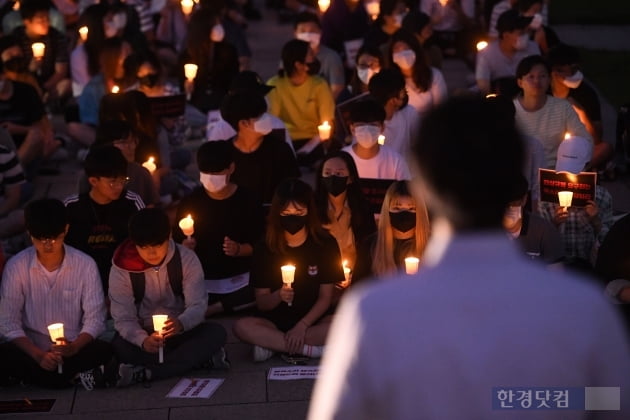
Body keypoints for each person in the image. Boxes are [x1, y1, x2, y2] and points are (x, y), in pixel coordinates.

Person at [309, 95, 630, 419]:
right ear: (513, 175)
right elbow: (608, 404)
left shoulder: (374, 313)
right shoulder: (583, 309)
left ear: (423, 183)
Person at [0, 199, 114, 390]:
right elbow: (8, 321)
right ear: (29, 234)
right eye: (41, 239)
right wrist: (37, 354)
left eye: (54, 238)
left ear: (66, 230)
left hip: (73, 348)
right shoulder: (17, 267)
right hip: (31, 350)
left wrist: (74, 347)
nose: (48, 245)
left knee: (105, 349)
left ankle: (39, 379)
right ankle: (69, 377)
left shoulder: (84, 265)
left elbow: (95, 318)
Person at [109, 208, 228, 387]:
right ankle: (196, 361)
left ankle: (147, 373)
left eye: (157, 245)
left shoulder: (186, 259)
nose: (151, 253)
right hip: (146, 335)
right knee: (120, 347)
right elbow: (123, 317)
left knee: (216, 333)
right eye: (144, 247)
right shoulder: (122, 268)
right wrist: (142, 340)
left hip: (180, 330)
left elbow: (198, 304)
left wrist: (181, 323)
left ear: (170, 235)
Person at [233, 179, 342, 362]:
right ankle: (309, 350)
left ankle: (272, 345)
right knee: (241, 326)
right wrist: (279, 295)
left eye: (299, 211)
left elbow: (326, 297)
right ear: (277, 213)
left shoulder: (325, 244)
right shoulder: (265, 247)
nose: (293, 217)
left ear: (309, 211)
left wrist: (302, 326)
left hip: (313, 320)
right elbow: (262, 302)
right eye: (286, 212)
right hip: (274, 322)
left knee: (344, 324)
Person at [175, 141, 265, 317]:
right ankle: (210, 306)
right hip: (203, 277)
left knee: (262, 288)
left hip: (239, 277)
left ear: (231, 168)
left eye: (216, 173)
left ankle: (211, 309)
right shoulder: (191, 202)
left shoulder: (248, 200)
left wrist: (239, 249)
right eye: (206, 173)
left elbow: (261, 243)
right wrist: (185, 247)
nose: (211, 178)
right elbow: (177, 243)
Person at [64, 145, 145, 294]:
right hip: (81, 279)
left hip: (124, 277)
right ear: (94, 181)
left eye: (123, 180)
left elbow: (145, 237)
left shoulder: (132, 203)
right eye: (113, 182)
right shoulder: (72, 207)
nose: (119, 186)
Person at [538, 134, 613, 271]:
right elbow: (539, 243)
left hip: (589, 266)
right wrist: (553, 224)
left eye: (575, 171)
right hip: (556, 266)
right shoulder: (546, 197)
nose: (569, 177)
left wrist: (596, 222)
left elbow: (610, 244)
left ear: (587, 165)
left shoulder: (602, 197)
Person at [219, 90, 300, 207]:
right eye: (260, 116)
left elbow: (293, 188)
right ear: (244, 123)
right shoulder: (224, 154)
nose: (267, 118)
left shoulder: (280, 149)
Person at [513, 55, 592, 170]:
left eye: (542, 76)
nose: (537, 81)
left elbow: (585, 139)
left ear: (549, 80)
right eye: (531, 77)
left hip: (556, 171)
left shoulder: (562, 107)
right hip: (522, 171)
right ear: (520, 82)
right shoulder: (511, 109)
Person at [267, 39, 336, 162]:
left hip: (314, 140)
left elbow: (327, 118)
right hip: (287, 140)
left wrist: (325, 137)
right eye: (310, 55)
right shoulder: (274, 85)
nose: (314, 58)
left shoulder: (319, 84)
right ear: (299, 65)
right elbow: (272, 120)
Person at [548, 44, 613, 172]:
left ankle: (576, 170)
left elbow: (596, 140)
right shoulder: (545, 93)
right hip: (550, 149)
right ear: (556, 71)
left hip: (578, 151)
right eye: (571, 70)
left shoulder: (586, 94)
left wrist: (581, 112)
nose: (576, 73)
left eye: (577, 69)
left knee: (606, 148)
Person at [353, 180, 430, 283]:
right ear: (387, 211)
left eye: (411, 208)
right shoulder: (370, 246)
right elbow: (358, 288)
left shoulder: (432, 247)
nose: (404, 214)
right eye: (397, 208)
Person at [314, 151, 376, 275]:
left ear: (350, 178)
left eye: (339, 173)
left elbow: (370, 246)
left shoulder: (362, 208)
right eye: (327, 173)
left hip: (355, 277)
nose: (333, 177)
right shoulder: (313, 208)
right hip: (322, 278)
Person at [76, 120, 160, 207]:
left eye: (133, 141)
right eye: (124, 143)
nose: (131, 147)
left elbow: (152, 207)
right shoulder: (90, 175)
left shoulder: (141, 174)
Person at [11, 0, 71, 101]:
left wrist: (43, 88)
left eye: (47, 19)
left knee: (66, 85)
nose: (46, 23)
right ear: (27, 22)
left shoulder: (55, 37)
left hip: (49, 84)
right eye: (41, 20)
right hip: (26, 84)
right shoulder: (16, 38)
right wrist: (30, 70)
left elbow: (61, 71)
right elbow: (14, 73)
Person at [342, 98, 411, 180]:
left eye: (372, 125)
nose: (367, 131)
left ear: (382, 128)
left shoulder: (395, 161)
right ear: (352, 129)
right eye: (361, 125)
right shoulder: (342, 159)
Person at [475, 9, 540, 96]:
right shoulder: (486, 54)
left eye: (527, 31)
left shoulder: (533, 48)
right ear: (506, 36)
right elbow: (483, 87)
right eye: (521, 33)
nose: (526, 36)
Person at [503, 174, 564, 265]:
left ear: (525, 199)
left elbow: (557, 274)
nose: (510, 209)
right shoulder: (485, 232)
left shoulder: (544, 230)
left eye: (514, 204)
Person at [389, 29, 447, 116]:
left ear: (415, 51)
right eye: (397, 49)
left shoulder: (434, 75)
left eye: (406, 48)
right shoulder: (389, 79)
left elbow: (441, 109)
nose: (402, 53)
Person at [368, 68, 420, 155]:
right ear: (393, 99)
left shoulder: (409, 113)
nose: (405, 94)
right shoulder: (368, 121)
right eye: (402, 91)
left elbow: (419, 143)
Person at [294, 11, 345, 99]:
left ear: (320, 32)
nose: (308, 35)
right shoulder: (290, 57)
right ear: (295, 34)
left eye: (312, 31)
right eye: (303, 31)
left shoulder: (332, 57)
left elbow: (337, 88)